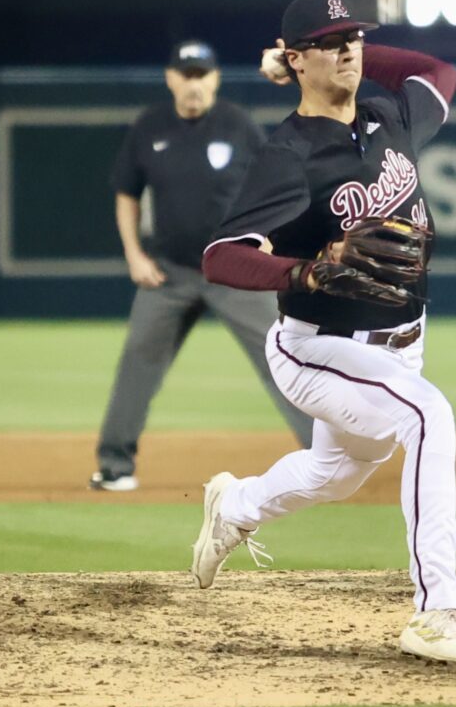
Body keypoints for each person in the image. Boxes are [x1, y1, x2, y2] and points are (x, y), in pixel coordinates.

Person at [191, 0, 456, 665]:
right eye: (329, 43)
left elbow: (438, 72)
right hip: (318, 347)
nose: (348, 49)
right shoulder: (288, 153)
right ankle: (436, 612)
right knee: (428, 416)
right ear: (296, 59)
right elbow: (221, 255)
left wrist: (354, 57)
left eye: (353, 37)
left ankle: (234, 506)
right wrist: (303, 272)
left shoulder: (389, 115)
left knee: (336, 473)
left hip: (400, 344)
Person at [93, 40, 314, 489]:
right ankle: (114, 466)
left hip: (234, 271)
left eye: (202, 75)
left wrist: (267, 243)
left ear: (214, 79)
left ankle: (327, 457)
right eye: (186, 75)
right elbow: (126, 193)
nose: (193, 84)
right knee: (137, 362)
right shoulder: (150, 126)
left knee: (283, 356)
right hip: (170, 273)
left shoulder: (238, 125)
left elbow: (273, 189)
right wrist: (134, 254)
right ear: (170, 78)